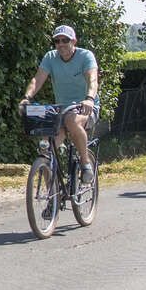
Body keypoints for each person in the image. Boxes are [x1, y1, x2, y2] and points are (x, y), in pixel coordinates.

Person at [20, 25, 99, 195]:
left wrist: (90, 99)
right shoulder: (50, 57)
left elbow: (93, 79)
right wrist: (27, 98)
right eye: (57, 41)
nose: (61, 44)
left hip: (84, 107)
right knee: (47, 148)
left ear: (74, 41)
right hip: (61, 110)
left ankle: (85, 164)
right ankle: (52, 197)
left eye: (65, 40)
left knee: (72, 120)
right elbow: (37, 79)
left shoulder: (86, 56)